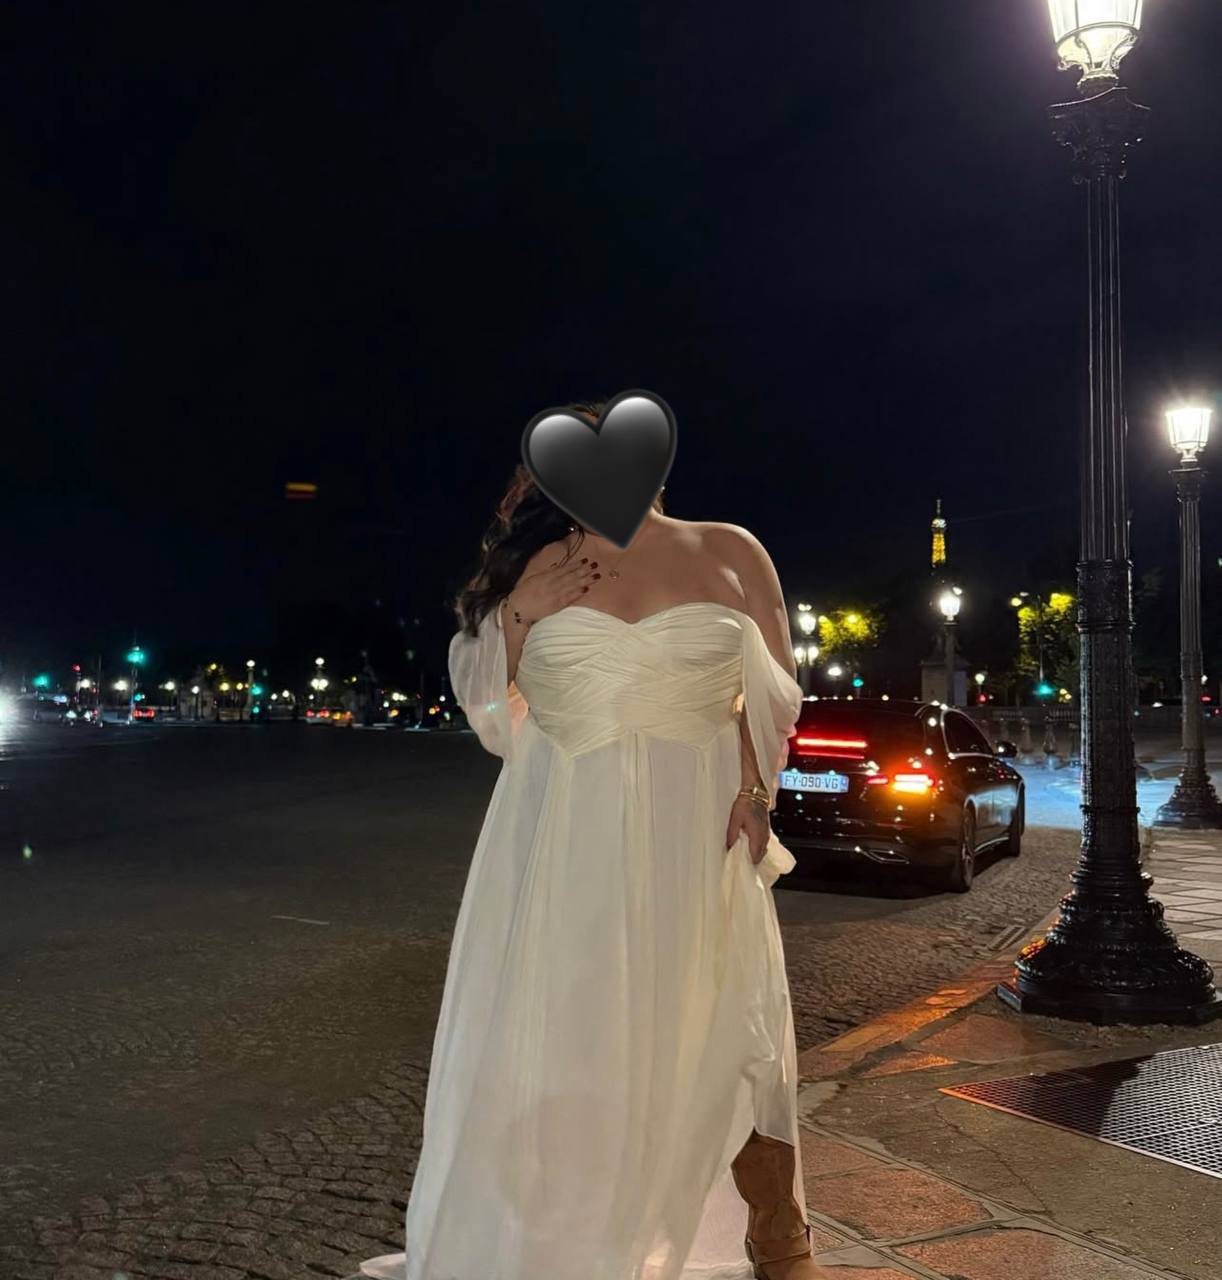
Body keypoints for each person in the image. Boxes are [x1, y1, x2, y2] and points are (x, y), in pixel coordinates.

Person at [360, 405, 827, 1280]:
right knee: (566, 1039)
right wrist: (518, 616)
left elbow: (773, 692)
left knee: (722, 1027)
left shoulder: (731, 549)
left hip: (695, 831)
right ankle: (560, 1243)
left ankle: (773, 1235)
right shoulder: (535, 566)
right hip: (561, 834)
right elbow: (488, 711)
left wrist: (755, 789)